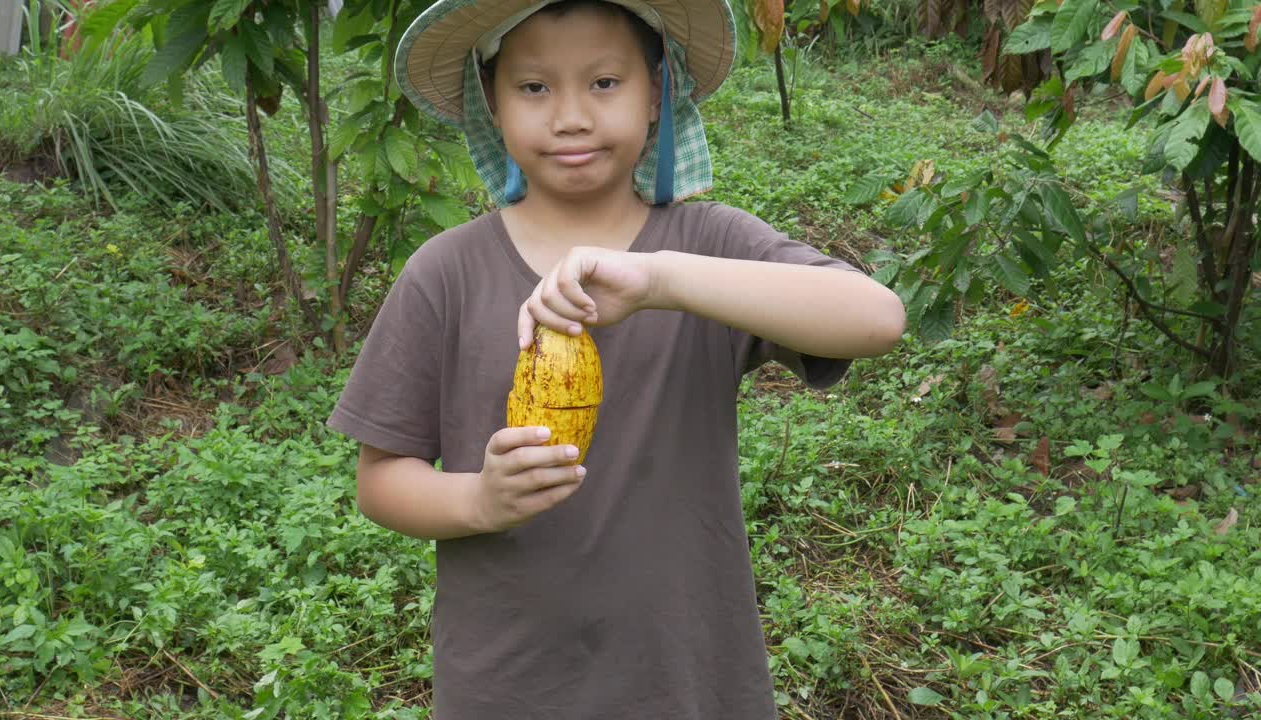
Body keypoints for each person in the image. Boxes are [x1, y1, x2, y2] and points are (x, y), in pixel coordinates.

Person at [326, 0, 905, 715]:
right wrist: (477, 500)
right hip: (508, 685)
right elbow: (381, 480)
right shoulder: (446, 273)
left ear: (656, 91)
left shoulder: (707, 247)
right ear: (491, 100)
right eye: (534, 87)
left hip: (686, 676)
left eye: (605, 82)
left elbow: (877, 319)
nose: (571, 116)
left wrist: (665, 280)